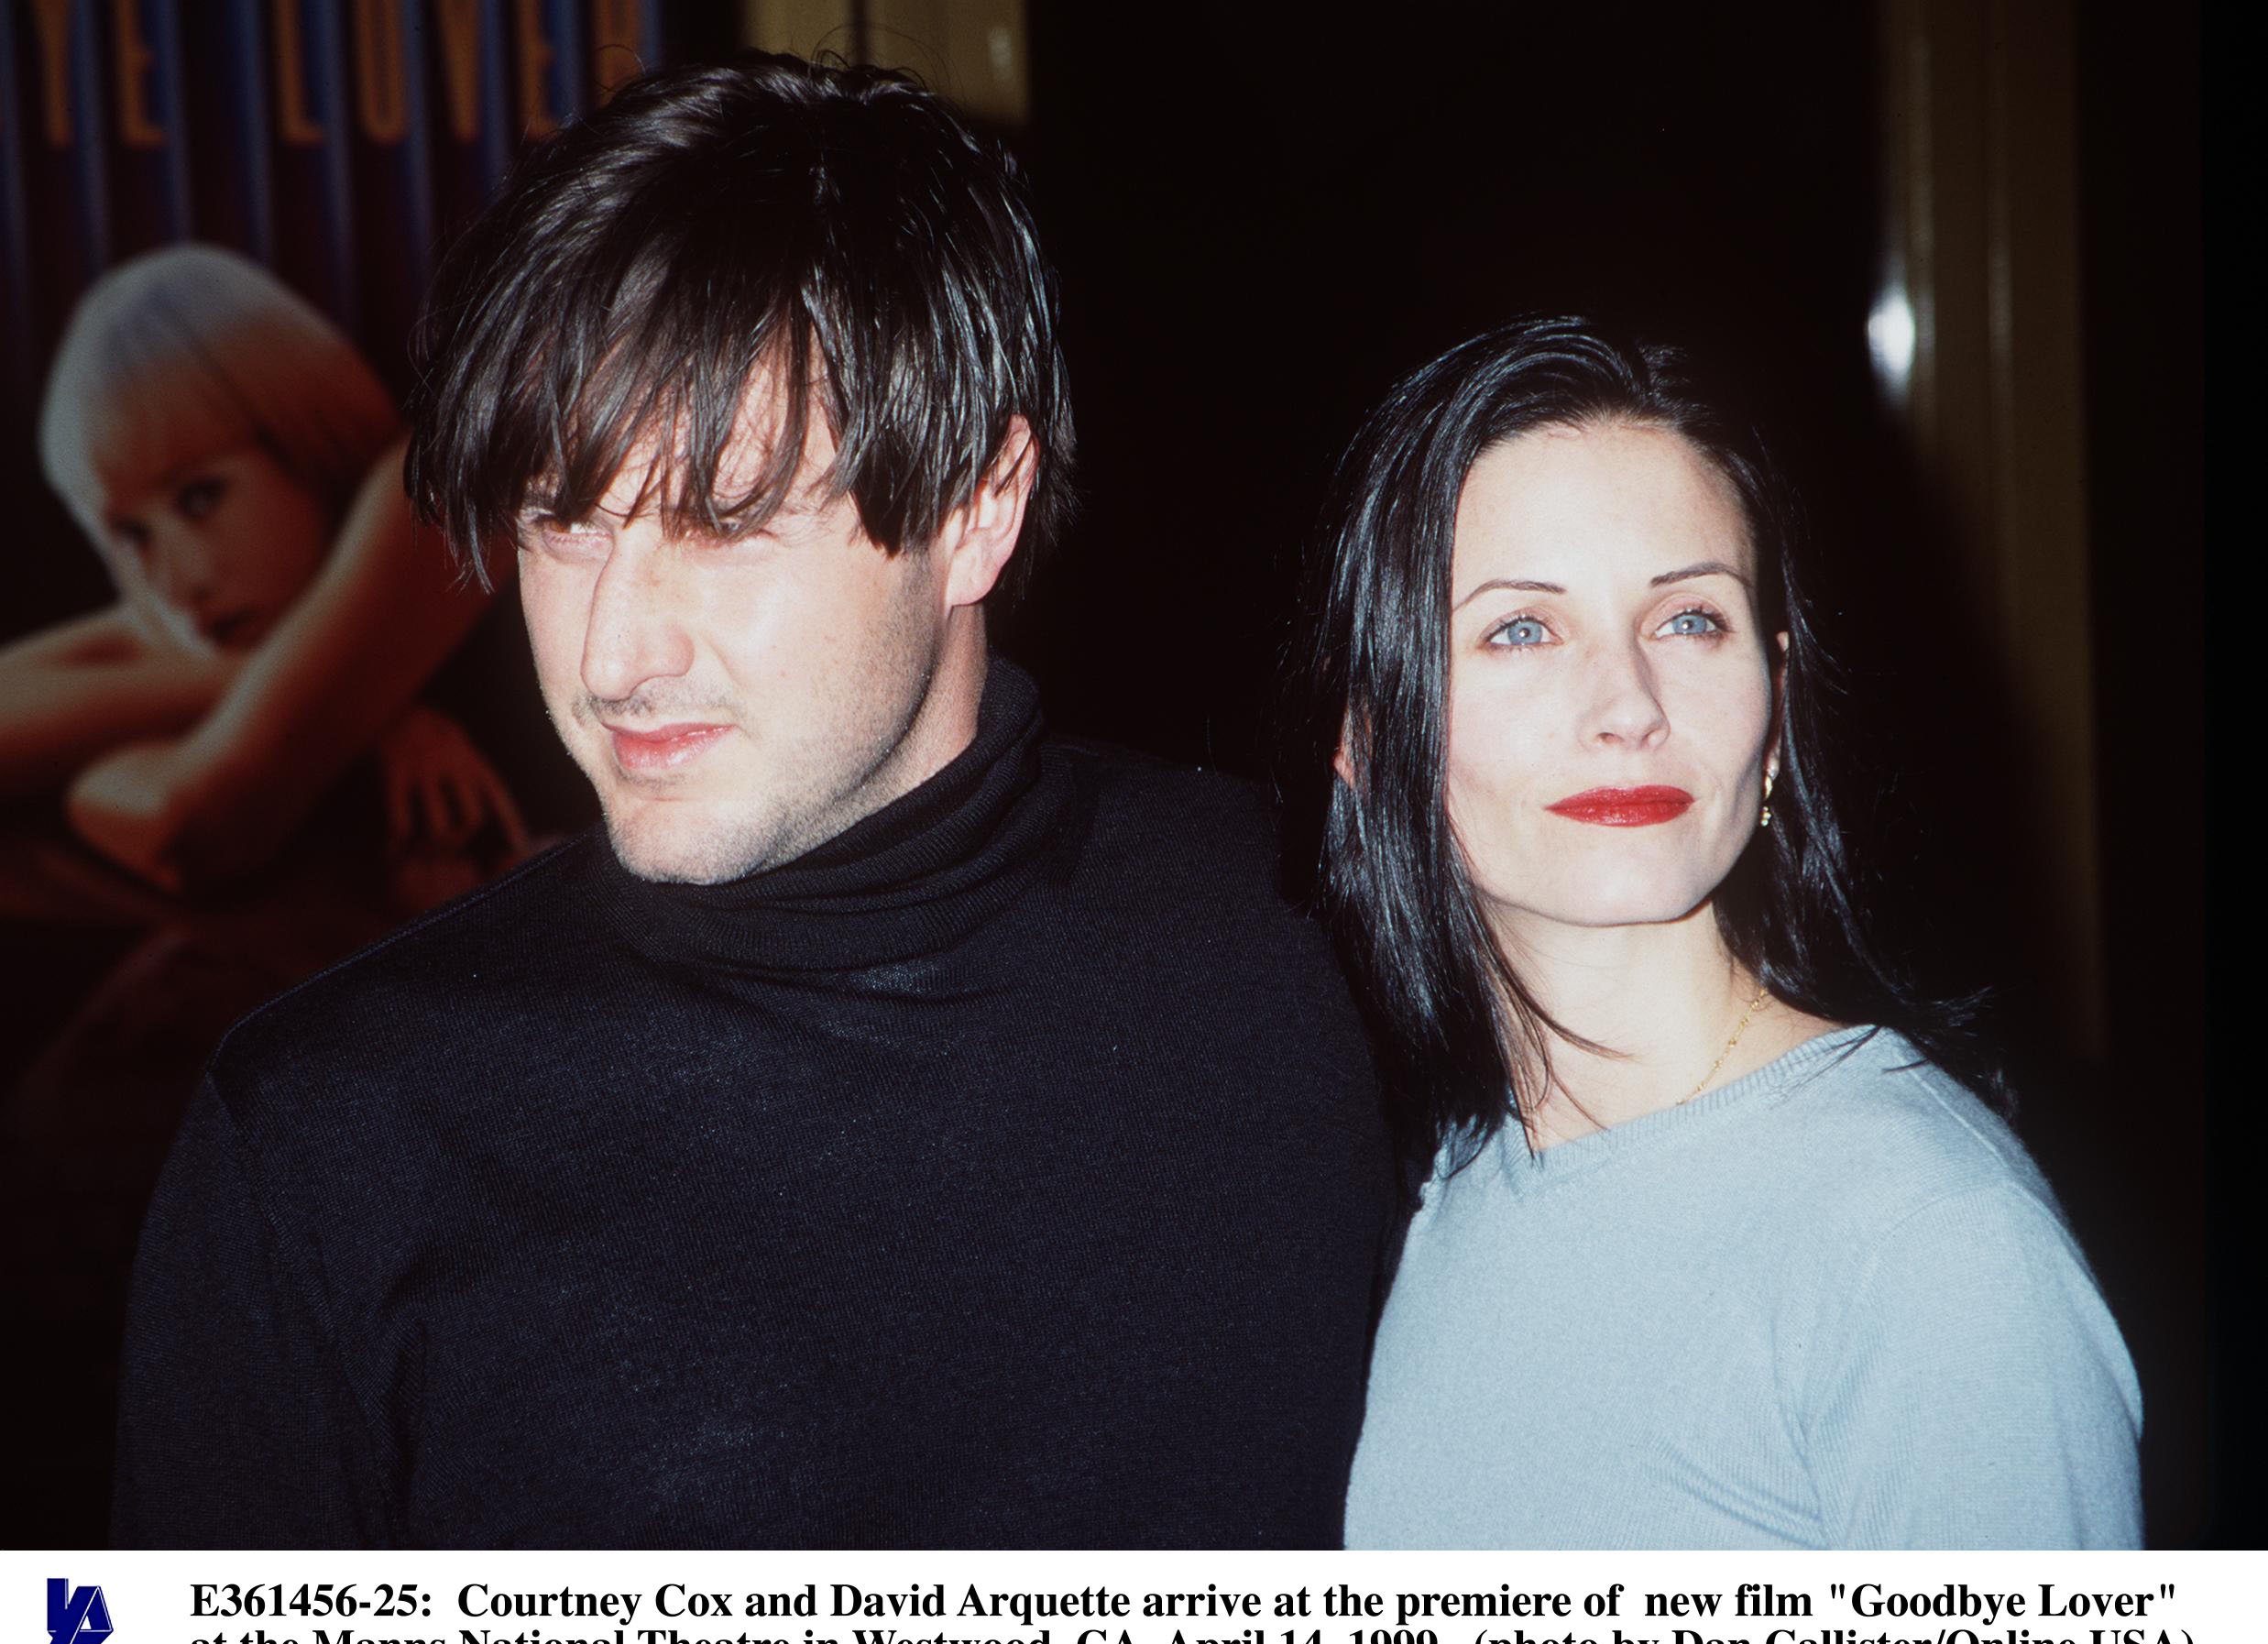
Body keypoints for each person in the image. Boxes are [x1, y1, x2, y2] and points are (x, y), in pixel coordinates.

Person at [111, 54, 1397, 1549]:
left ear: (979, 506)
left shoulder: (1321, 939)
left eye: (722, 521)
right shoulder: (330, 1131)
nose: (612, 654)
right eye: (559, 522)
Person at [1301, 319, 2141, 1548]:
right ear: (1367, 742)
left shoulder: (1929, 1246)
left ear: (1776, 704)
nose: (1627, 704)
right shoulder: (1434, 1189)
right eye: (1521, 629)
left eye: (1687, 618)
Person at [11, 243, 523, 898]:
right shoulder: (202, 613)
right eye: (130, 534)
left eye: (201, 497)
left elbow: (182, 824)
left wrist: (84, 770)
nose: (179, 582)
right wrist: (370, 720)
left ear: (302, 436)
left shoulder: (435, 496)